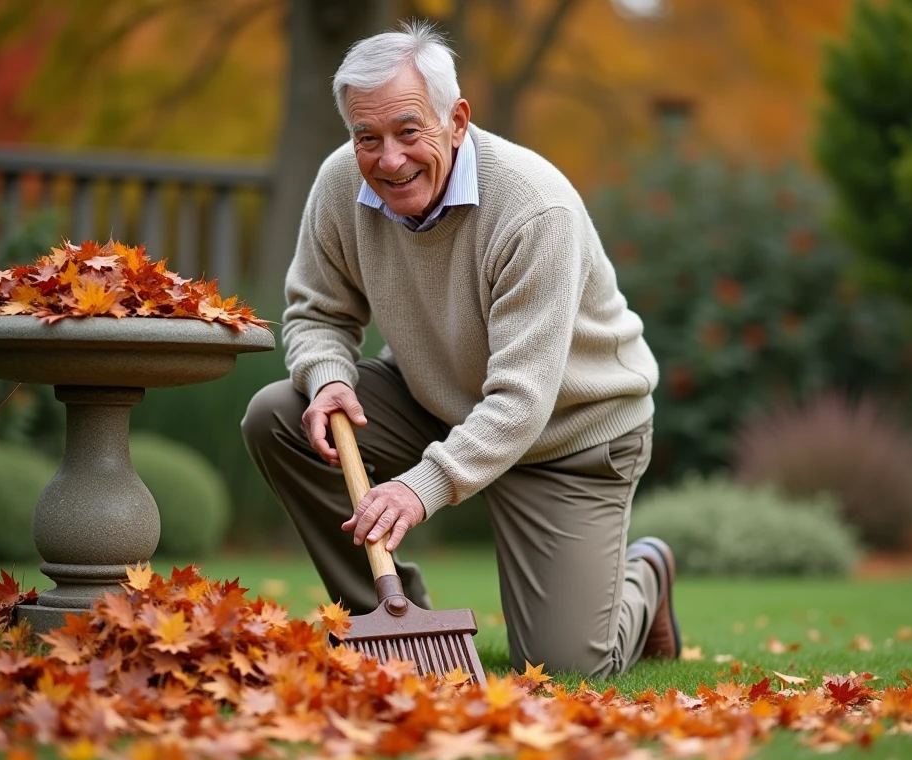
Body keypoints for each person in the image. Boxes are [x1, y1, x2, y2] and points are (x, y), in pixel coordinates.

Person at [241, 20, 679, 678]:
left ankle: (645, 575)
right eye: (368, 137)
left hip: (570, 438)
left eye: (408, 132)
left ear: (457, 120)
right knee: (279, 413)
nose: (389, 160)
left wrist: (419, 490)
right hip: (436, 403)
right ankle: (392, 622)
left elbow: (522, 401)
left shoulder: (532, 210)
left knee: (567, 666)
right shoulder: (339, 185)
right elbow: (316, 310)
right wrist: (327, 376)